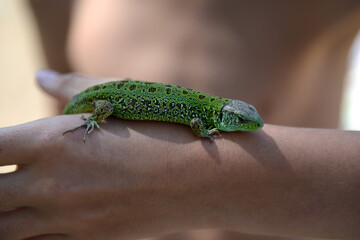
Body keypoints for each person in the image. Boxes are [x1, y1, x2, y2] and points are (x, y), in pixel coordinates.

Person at [0, 1, 360, 239]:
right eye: (242, 120)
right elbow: (60, 114)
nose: (252, 125)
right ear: (227, 115)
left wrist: (194, 181)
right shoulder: (205, 115)